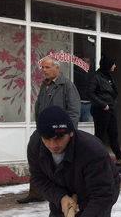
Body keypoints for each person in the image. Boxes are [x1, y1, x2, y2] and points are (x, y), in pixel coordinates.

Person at [17, 57, 81, 204]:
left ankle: (66, 194)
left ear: (57, 68)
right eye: (43, 68)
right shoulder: (44, 85)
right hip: (44, 131)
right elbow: (39, 107)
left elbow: (74, 111)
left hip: (60, 132)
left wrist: (66, 133)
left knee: (61, 163)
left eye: (47, 67)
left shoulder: (67, 85)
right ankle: (35, 192)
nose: (43, 70)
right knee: (35, 153)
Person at [88, 56, 121, 165]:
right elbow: (90, 93)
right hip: (100, 110)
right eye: (113, 64)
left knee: (113, 133)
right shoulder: (96, 77)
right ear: (108, 65)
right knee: (100, 135)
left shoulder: (108, 77)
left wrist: (111, 103)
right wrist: (103, 104)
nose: (115, 66)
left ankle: (120, 157)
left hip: (110, 109)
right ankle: (96, 159)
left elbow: (111, 92)